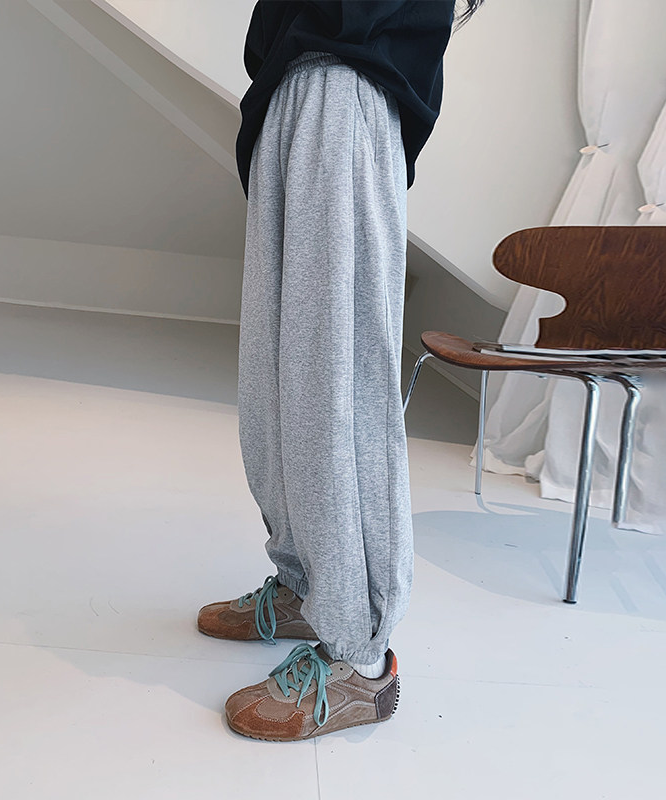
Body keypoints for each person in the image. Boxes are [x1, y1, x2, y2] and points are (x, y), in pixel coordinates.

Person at [198, 0, 483, 742]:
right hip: (293, 88)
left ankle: (361, 654)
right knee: (277, 388)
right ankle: (307, 586)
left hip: (349, 87)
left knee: (336, 388)